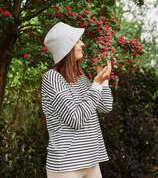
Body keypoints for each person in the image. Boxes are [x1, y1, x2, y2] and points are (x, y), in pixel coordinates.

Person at [41, 22, 113, 178]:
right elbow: (75, 119)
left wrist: (104, 79)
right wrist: (96, 84)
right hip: (66, 165)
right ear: (66, 47)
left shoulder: (81, 79)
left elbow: (106, 106)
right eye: (77, 41)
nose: (82, 44)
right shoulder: (52, 78)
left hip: (91, 162)